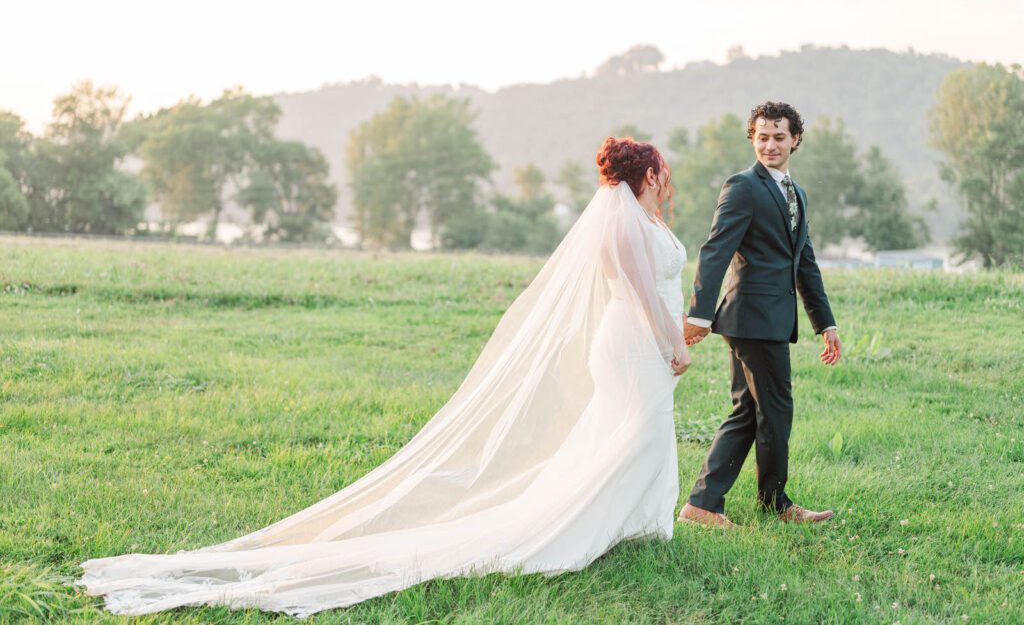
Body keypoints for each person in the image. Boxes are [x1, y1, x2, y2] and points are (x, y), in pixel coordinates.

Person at [77, 137, 693, 618]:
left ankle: (634, 523)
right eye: (660, 171)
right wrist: (674, 342)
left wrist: (675, 327)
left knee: (625, 435)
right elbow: (640, 292)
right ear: (646, 175)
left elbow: (655, 287)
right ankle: (582, 527)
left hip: (635, 343)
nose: (665, 180)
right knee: (634, 436)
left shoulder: (642, 220)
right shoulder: (624, 223)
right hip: (634, 344)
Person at [677, 101, 841, 529]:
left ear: (795, 140)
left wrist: (825, 322)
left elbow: (804, 261)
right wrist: (699, 314)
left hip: (768, 318)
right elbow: (715, 249)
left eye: (779, 137)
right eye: (762, 137)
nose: (770, 145)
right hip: (750, 316)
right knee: (776, 409)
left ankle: (704, 503)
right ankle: (774, 502)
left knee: (749, 411)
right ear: (753, 138)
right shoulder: (743, 186)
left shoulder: (796, 194)